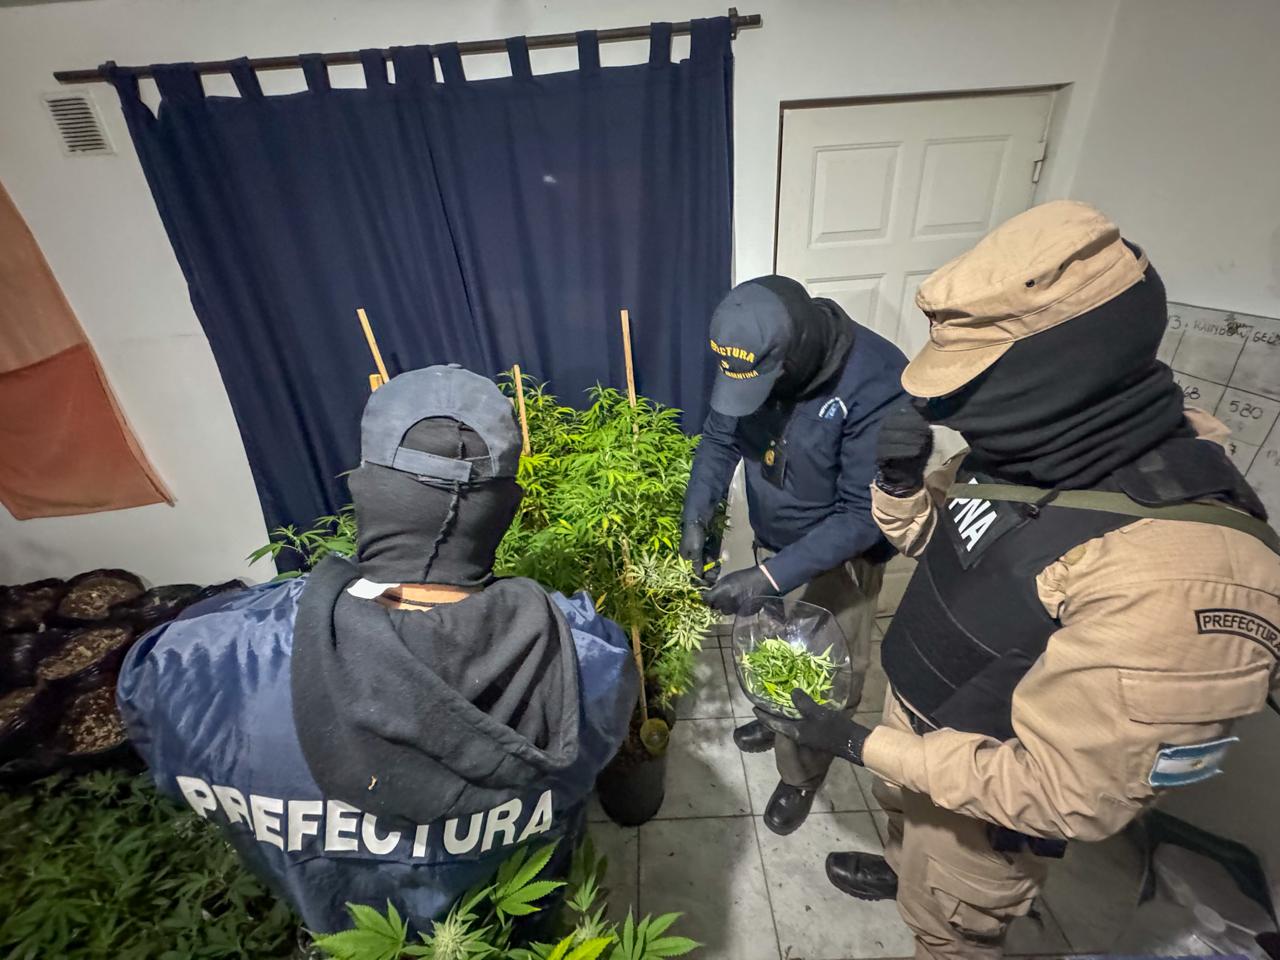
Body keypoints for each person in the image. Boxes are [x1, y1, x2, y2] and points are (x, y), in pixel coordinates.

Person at [757, 200, 1280, 959]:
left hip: (980, 813)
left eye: (971, 394)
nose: (956, 419)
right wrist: (899, 485)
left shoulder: (1185, 574)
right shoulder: (1033, 451)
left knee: (951, 928)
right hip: (925, 732)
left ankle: (936, 906)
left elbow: (1071, 797)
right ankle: (906, 868)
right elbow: (943, 542)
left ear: (1059, 372)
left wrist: (860, 743)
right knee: (911, 836)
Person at [117, 365, 636, 934]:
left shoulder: (197, 663)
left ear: (367, 487)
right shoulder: (593, 662)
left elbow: (160, 741)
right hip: (509, 938)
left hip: (347, 937)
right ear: (503, 507)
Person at [680, 275, 907, 835]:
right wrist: (697, 515)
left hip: (839, 560)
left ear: (795, 357)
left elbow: (862, 515)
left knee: (821, 677)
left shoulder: (877, 380)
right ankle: (774, 719)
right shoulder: (746, 355)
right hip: (772, 543)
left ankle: (800, 774)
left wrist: (767, 576)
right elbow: (719, 439)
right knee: (771, 653)